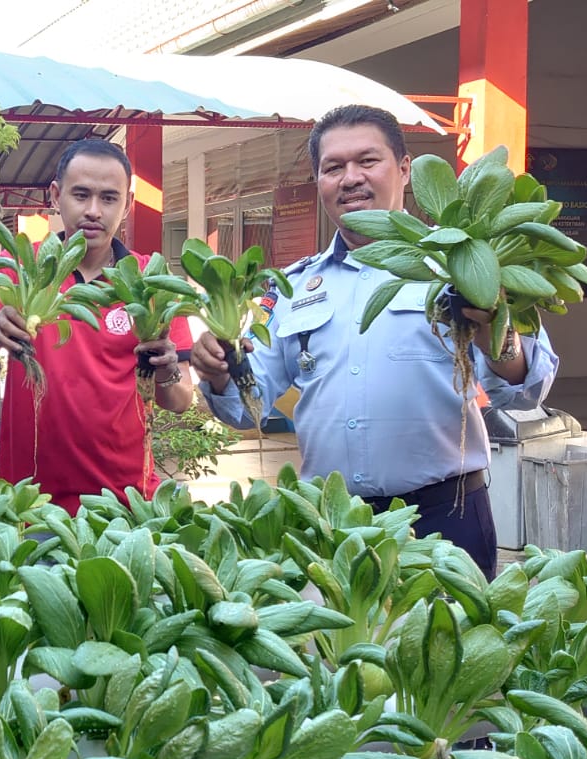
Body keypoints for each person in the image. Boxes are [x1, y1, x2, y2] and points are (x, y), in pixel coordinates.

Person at [191, 105, 559, 579]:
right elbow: (248, 406)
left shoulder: (460, 265)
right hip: (331, 523)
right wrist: (221, 373)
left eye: (368, 161)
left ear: (405, 169)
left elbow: (526, 390)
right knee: (338, 652)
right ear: (318, 181)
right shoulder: (293, 286)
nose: (350, 178)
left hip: (443, 518)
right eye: (333, 167)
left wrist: (496, 333)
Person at [0, 139, 196, 514]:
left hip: (125, 504)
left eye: (109, 198)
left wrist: (167, 369)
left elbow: (179, 401)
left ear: (127, 204)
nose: (93, 211)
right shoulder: (22, 268)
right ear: (56, 195)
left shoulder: (150, 280)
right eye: (81, 195)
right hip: (31, 504)